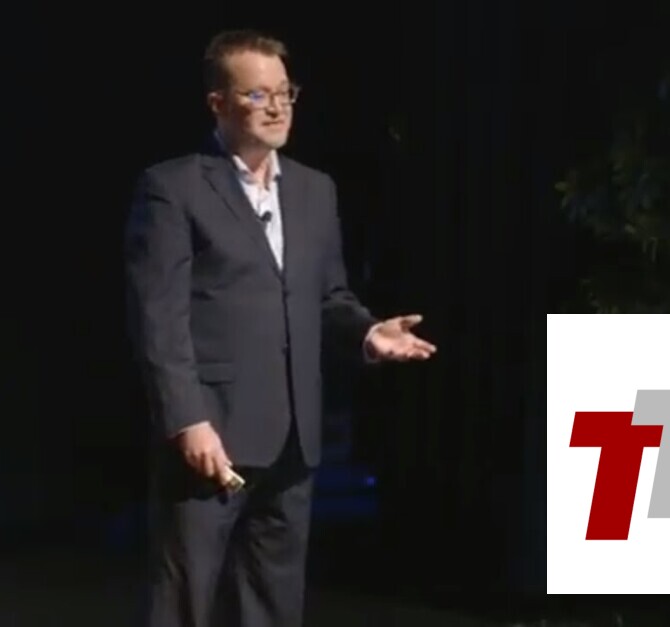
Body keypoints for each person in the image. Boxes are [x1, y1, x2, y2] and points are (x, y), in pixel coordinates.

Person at [124, 29, 436, 627]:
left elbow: (328, 297)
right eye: (257, 95)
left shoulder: (315, 190)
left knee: (271, 604)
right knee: (185, 601)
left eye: (285, 93)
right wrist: (187, 419)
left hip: (293, 438)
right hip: (212, 437)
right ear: (218, 103)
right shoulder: (174, 188)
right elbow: (158, 319)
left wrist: (368, 334)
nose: (276, 108)